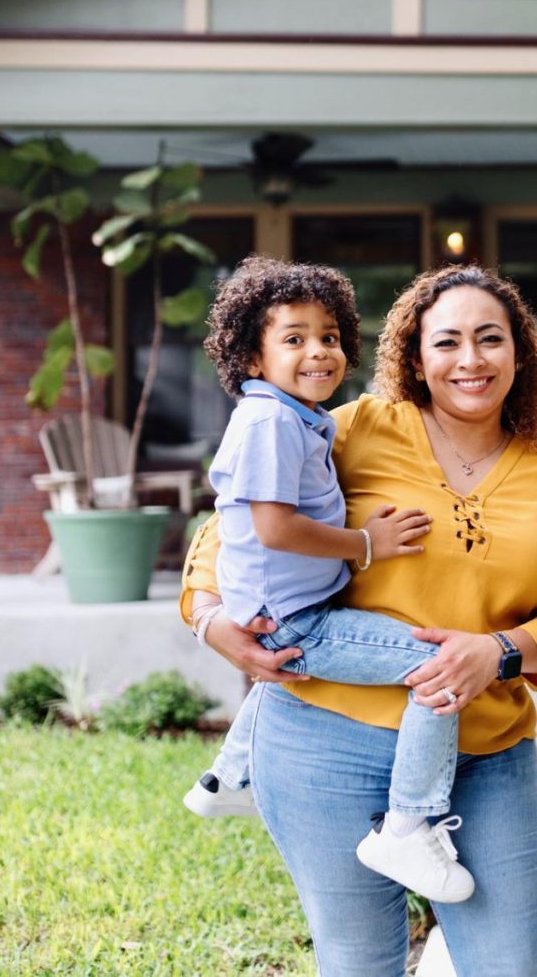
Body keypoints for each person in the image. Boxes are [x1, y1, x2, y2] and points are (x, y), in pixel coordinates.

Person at [182, 264, 537, 977]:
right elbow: (230, 532)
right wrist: (213, 620)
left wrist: (498, 651)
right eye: (448, 342)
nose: (470, 360)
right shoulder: (353, 429)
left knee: (511, 968)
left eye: (490, 339)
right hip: (324, 746)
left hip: (484, 754)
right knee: (360, 965)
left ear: (521, 354)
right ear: (414, 356)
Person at [184, 255, 473, 904]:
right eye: (294, 339)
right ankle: (407, 823)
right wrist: (366, 545)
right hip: (297, 617)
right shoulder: (270, 422)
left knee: (288, 675)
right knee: (437, 667)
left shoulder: (294, 416)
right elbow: (274, 528)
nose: (319, 351)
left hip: (287, 605)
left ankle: (226, 779)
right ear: (252, 359)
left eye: (330, 337)